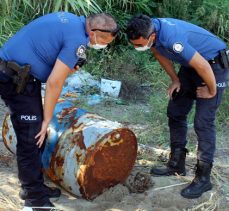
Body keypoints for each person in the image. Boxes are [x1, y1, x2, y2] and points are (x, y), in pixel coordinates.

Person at [0, 12, 118, 210]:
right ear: (94, 31)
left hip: (21, 76)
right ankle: (35, 202)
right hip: (15, 79)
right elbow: (55, 82)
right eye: (104, 40)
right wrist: (47, 120)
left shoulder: (71, 21)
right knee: (32, 135)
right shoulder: (78, 40)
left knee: (36, 135)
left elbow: (47, 57)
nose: (103, 45)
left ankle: (33, 187)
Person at [126, 14, 229, 199]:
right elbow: (158, 53)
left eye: (140, 44)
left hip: (213, 66)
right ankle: (177, 163)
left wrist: (211, 91)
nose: (137, 48)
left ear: (152, 36)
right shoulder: (150, 29)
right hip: (190, 66)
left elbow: (203, 67)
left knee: (203, 122)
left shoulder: (172, 39)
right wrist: (175, 80)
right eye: (134, 44)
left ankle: (203, 178)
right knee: (175, 111)